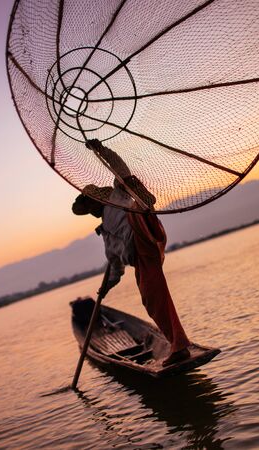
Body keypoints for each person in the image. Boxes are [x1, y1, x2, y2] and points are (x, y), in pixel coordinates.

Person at [72, 139, 190, 365]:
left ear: (97, 199)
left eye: (90, 206)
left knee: (157, 298)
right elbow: (115, 268)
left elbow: (120, 169)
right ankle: (176, 343)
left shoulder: (119, 197)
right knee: (151, 301)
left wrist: (101, 150)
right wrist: (105, 288)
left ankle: (180, 347)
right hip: (140, 259)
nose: (91, 212)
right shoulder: (106, 233)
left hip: (145, 237)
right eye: (88, 210)